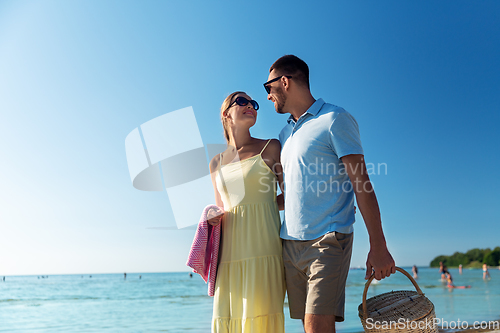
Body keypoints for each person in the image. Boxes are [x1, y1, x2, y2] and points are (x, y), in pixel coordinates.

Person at [264, 55, 396, 332]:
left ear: (284, 82)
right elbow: (291, 195)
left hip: (328, 240)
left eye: (269, 87)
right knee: (308, 326)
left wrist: (379, 245)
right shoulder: (285, 134)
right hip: (290, 243)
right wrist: (243, 209)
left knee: (316, 326)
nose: (267, 96)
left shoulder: (335, 119)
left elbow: (362, 183)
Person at [207, 91, 286, 332]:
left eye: (253, 103)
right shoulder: (216, 162)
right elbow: (221, 206)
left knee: (262, 321)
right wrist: (212, 216)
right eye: (242, 101)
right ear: (226, 113)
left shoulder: (270, 147)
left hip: (264, 249)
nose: (250, 105)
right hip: (229, 256)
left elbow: (292, 194)